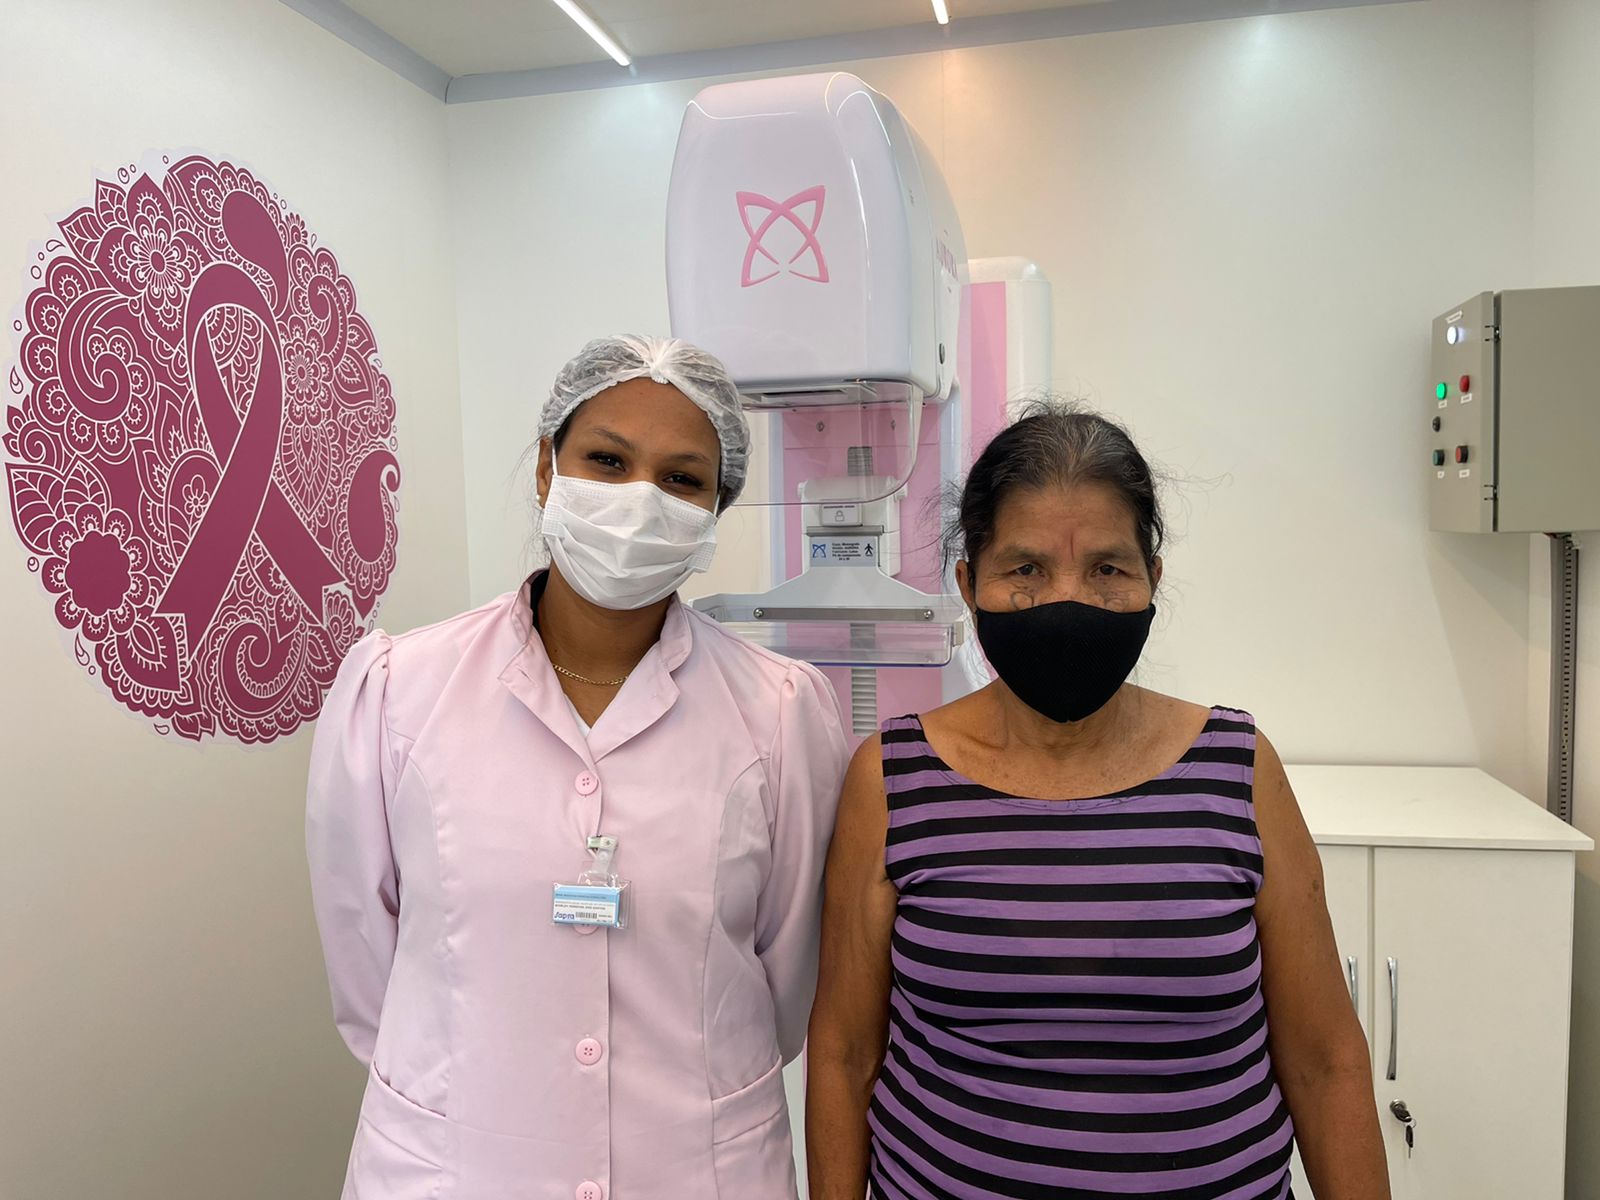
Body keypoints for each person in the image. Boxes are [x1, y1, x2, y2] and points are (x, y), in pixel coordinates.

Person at [308, 335, 850, 1200]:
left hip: (694, 1171)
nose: (640, 499)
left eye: (681, 478)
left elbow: (786, 979)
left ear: (714, 513)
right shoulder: (401, 690)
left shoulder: (779, 712)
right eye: (607, 460)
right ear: (545, 469)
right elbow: (366, 962)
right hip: (456, 1168)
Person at [805, 402, 1389, 1200]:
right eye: (1025, 570)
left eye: (1108, 570)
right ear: (969, 584)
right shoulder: (891, 780)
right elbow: (844, 1057)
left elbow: (1325, 1061)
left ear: (1153, 580)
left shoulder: (1239, 767)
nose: (1067, 600)